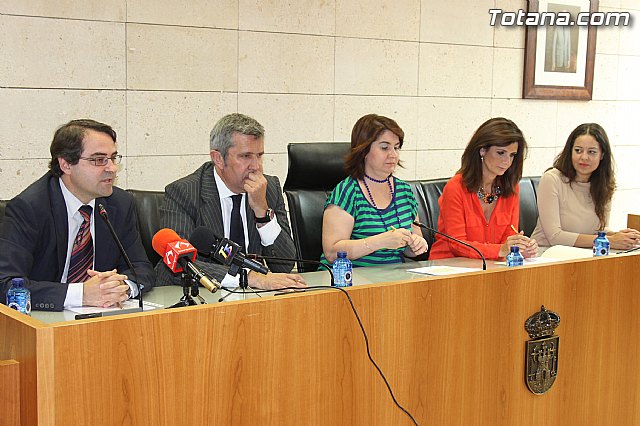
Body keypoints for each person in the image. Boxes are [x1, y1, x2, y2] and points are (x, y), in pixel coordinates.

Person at [0, 119, 155, 311]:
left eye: (113, 158)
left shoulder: (120, 204)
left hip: (102, 316)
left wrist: (121, 287)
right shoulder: (29, 208)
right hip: (44, 321)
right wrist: (81, 294)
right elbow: (5, 283)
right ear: (66, 164)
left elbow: (141, 268)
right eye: (99, 160)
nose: (112, 168)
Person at [156, 113, 306, 290]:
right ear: (218, 158)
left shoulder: (268, 188)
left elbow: (284, 265)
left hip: (253, 297)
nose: (256, 166)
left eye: (259, 155)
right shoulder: (184, 193)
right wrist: (249, 278)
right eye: (246, 156)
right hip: (204, 296)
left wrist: (262, 212)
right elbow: (181, 263)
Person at [321, 114, 428, 267]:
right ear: (363, 150)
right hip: (351, 276)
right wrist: (380, 241)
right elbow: (332, 253)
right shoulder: (347, 192)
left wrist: (416, 245)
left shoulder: (404, 191)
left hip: (394, 275)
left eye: (396, 147)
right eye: (385, 147)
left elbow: (411, 248)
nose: (393, 154)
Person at [429, 117, 538, 260]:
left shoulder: (511, 188)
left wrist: (519, 248)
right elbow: (457, 244)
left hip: (490, 266)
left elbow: (509, 235)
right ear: (482, 150)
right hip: (449, 265)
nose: (507, 161)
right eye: (501, 153)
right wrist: (500, 250)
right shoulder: (455, 187)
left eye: (512, 155)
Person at [531, 123, 640, 249]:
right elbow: (555, 236)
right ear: (570, 151)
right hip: (547, 253)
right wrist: (610, 240)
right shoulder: (552, 179)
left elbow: (599, 230)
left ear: (602, 155)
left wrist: (620, 237)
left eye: (591, 152)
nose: (584, 157)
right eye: (578, 150)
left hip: (585, 253)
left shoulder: (604, 184)